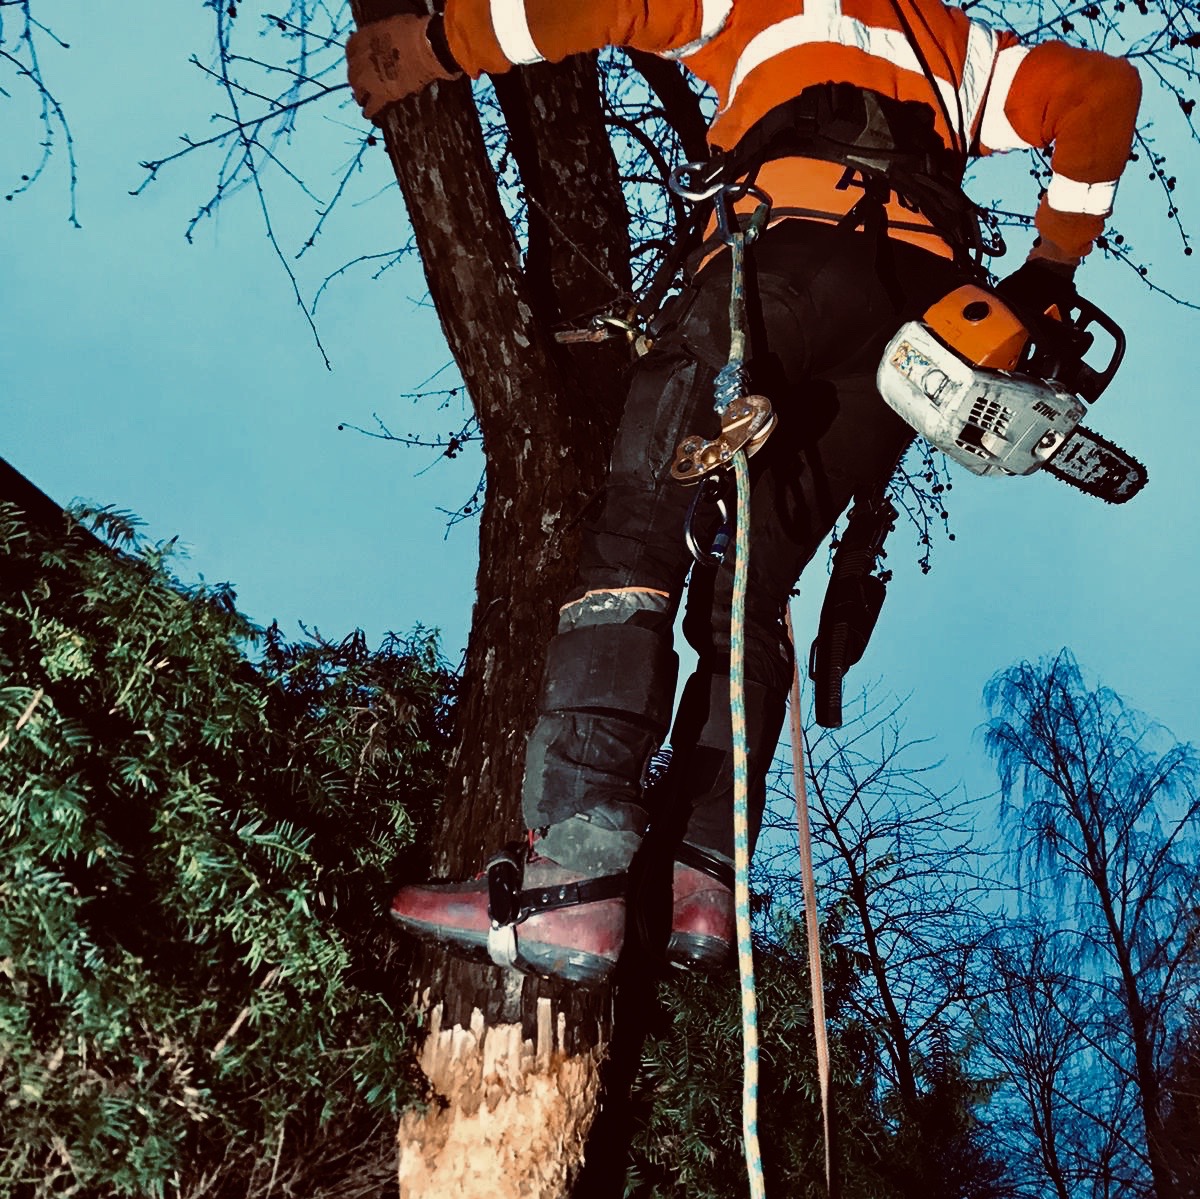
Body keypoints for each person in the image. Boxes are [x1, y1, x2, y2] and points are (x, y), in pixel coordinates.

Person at [347, 1, 1141, 985]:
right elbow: (1106, 90)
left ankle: (573, 878)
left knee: (640, 533)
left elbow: (593, 6)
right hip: (911, 338)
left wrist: (432, 46)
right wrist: (1051, 268)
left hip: (781, 267)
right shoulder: (959, 47)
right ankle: (702, 880)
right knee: (750, 597)